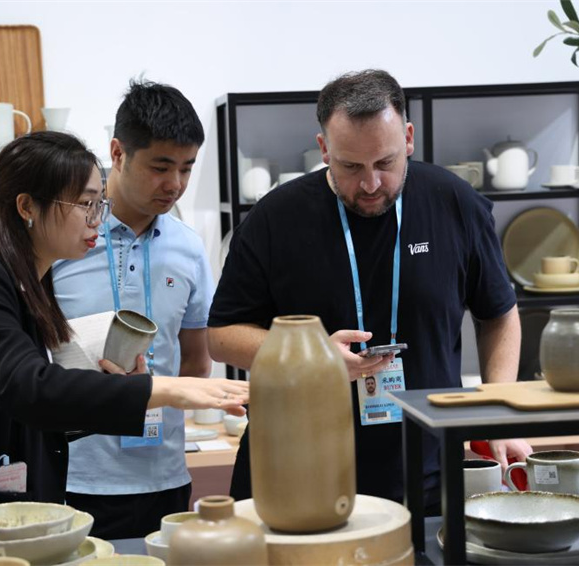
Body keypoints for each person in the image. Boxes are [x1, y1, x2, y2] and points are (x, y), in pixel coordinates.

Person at [207, 69, 531, 513]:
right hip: (295, 470)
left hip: (424, 470)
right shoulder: (274, 219)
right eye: (351, 167)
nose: (371, 184)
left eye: (385, 163)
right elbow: (222, 335)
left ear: (409, 138)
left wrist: (498, 409)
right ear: (324, 148)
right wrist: (310, 355)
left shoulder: (455, 203)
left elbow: (498, 314)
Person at [0, 131, 248, 505]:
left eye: (99, 204)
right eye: (85, 204)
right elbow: (27, 388)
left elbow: (39, 411)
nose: (97, 220)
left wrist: (127, 391)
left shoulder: (31, 282)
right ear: (27, 207)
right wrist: (164, 389)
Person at [52, 80, 214, 539]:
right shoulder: (64, 241)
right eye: (161, 167)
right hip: (75, 475)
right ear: (118, 153)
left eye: (186, 168)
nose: (175, 184)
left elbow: (196, 363)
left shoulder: (188, 249)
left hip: (165, 476)